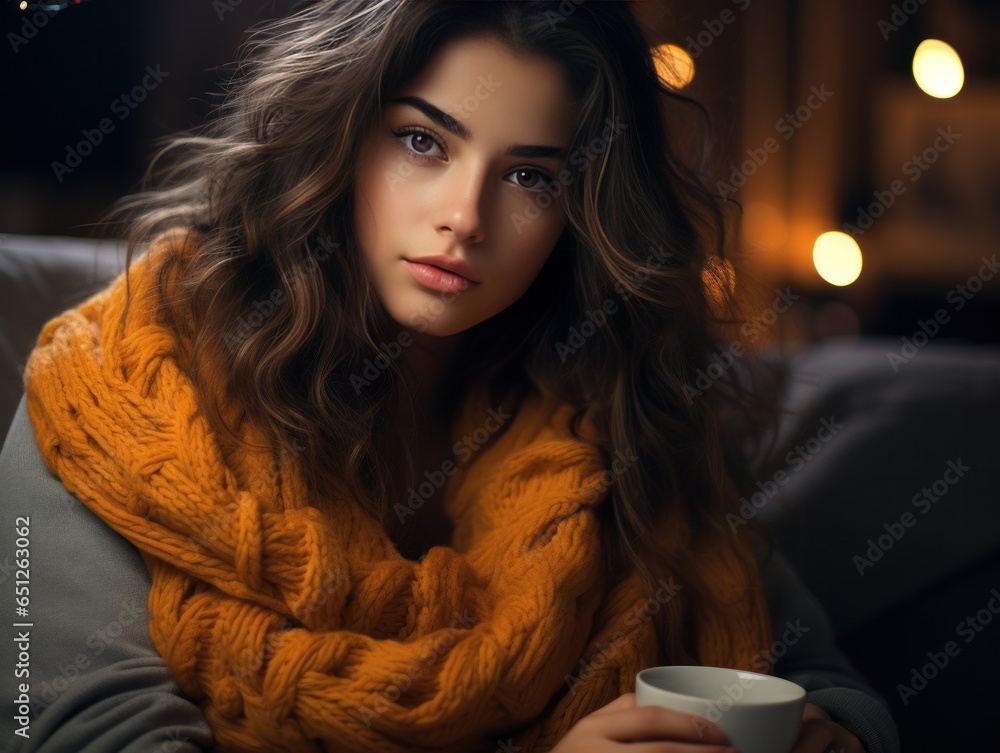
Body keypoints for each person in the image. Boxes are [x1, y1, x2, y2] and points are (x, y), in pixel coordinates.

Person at [0, 2, 899, 752]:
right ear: (343, 137)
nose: (465, 218)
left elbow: (826, 681)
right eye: (424, 142)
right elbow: (86, 730)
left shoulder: (612, 416)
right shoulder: (118, 382)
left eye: (530, 177)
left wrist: (830, 735)